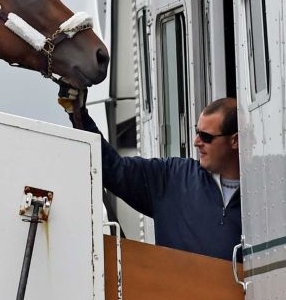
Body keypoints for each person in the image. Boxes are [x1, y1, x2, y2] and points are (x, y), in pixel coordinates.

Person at [58, 84, 241, 261]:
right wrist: (78, 113)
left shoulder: (259, 196)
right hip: (173, 293)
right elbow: (114, 169)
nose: (196, 141)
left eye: (206, 137)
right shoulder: (171, 178)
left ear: (235, 141)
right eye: (197, 132)